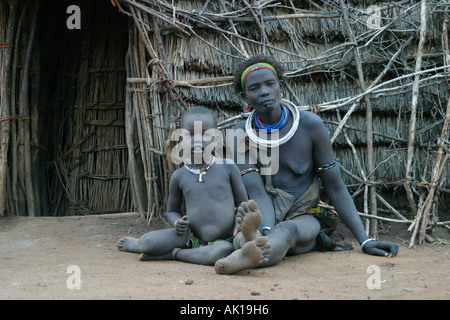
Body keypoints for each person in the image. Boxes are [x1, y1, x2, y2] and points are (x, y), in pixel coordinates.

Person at [214, 55, 399, 275]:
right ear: (245, 97)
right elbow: (257, 191)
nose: (264, 91)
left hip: (304, 215)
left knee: (288, 230)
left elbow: (336, 187)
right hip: (264, 211)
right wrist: (264, 229)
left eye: (270, 84)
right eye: (254, 88)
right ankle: (252, 242)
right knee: (255, 234)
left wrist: (365, 239)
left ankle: (249, 250)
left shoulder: (310, 126)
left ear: (280, 87)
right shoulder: (240, 134)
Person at [117, 106, 271, 270]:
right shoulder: (179, 176)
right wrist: (177, 222)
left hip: (227, 237)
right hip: (190, 236)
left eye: (205, 135)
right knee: (148, 242)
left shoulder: (228, 167)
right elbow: (172, 211)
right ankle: (139, 245)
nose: (198, 140)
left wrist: (240, 224)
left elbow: (242, 203)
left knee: (223, 250)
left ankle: (174, 254)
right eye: (190, 134)